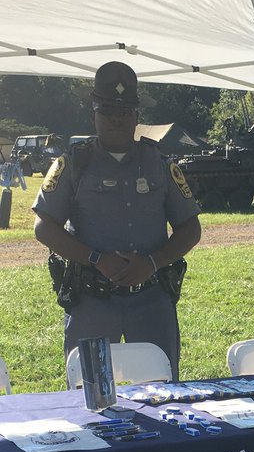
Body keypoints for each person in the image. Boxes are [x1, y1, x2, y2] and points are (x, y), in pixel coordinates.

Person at [32, 60, 202, 380]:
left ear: (137, 117)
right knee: (91, 395)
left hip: (152, 301)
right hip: (92, 302)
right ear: (93, 114)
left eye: (125, 112)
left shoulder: (160, 164)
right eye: (107, 110)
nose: (116, 119)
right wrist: (96, 259)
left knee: (161, 394)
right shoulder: (72, 163)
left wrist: (152, 263)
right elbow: (44, 227)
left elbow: (191, 228)